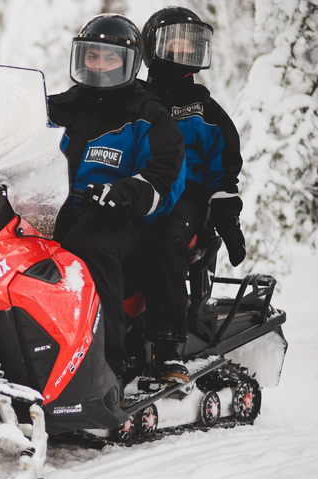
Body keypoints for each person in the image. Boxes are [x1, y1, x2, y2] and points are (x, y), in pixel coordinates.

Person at [47, 13, 186, 389]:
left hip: (122, 218)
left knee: (85, 245)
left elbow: (161, 175)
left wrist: (122, 192)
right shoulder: (58, 108)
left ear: (129, 64)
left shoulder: (148, 115)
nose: (100, 66)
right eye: (93, 56)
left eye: (110, 58)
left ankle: (109, 362)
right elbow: (16, 144)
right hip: (56, 209)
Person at [140, 7, 246, 383]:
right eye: (174, 43)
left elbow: (224, 167)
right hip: (138, 194)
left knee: (167, 237)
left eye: (190, 45)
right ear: (152, 46)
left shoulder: (205, 109)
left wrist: (226, 217)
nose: (183, 51)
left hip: (188, 201)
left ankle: (169, 347)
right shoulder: (134, 100)